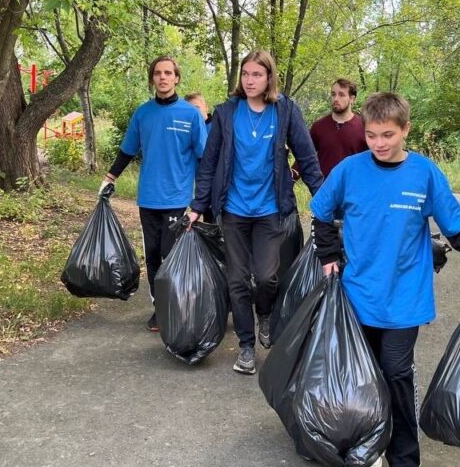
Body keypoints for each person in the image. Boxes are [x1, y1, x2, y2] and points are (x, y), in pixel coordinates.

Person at [309, 92, 460, 467]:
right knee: (362, 376)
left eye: (388, 135)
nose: (379, 143)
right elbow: (321, 212)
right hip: (357, 294)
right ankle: (371, 444)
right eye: (373, 135)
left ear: (406, 130)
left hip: (404, 298)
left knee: (396, 375)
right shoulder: (349, 171)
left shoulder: (424, 174)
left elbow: (456, 226)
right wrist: (328, 255)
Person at [187, 50, 323, 374]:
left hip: (270, 210)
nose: (249, 80)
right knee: (236, 278)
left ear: (269, 78)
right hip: (233, 209)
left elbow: (306, 157)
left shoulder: (285, 111)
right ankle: (246, 346)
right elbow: (209, 163)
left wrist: (325, 199)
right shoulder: (226, 113)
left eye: (257, 75)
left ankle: (265, 312)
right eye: (246, 74)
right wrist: (197, 206)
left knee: (265, 276)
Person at [101, 56, 207, 332]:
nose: (163, 77)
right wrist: (110, 177)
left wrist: (204, 198)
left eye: (168, 73)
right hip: (148, 197)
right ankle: (159, 307)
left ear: (177, 78)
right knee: (152, 255)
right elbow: (127, 150)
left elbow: (204, 158)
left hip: (177, 198)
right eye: (158, 73)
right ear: (153, 79)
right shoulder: (143, 114)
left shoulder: (190, 114)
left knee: (169, 253)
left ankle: (174, 306)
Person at [306, 78, 368, 178]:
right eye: (333, 94)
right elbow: (305, 155)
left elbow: (373, 161)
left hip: (354, 189)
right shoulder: (318, 127)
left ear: (352, 99)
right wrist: (291, 176)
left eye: (341, 95)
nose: (336, 99)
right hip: (324, 189)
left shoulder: (364, 127)